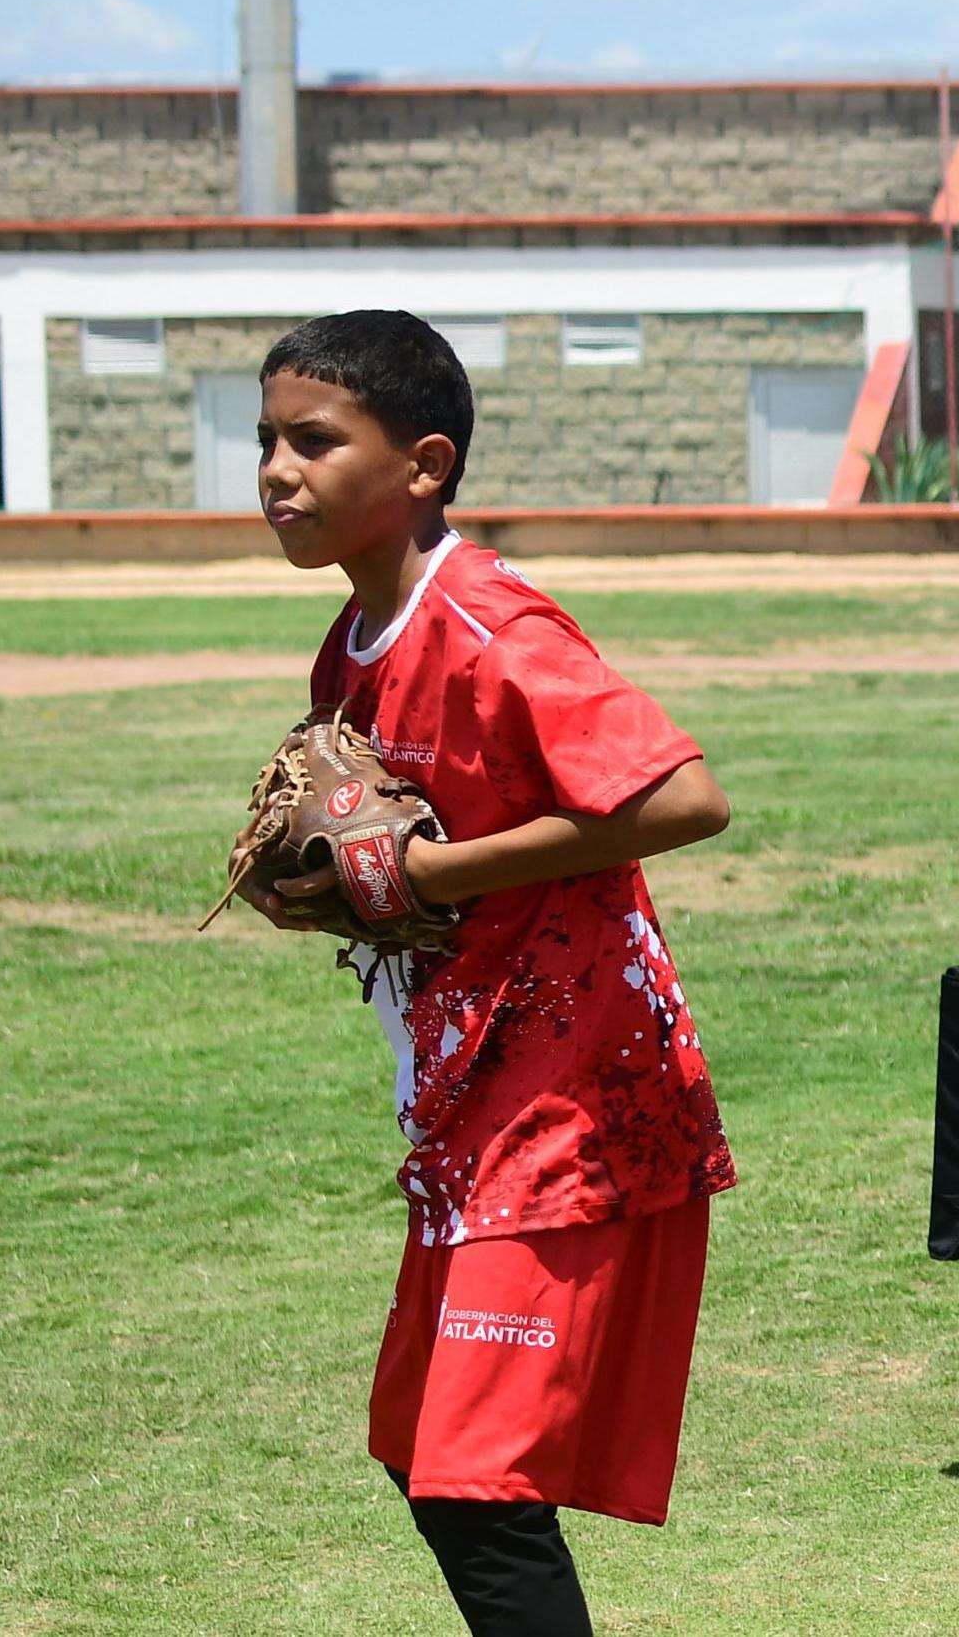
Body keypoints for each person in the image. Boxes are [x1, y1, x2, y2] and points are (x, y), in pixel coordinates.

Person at [247, 309, 738, 1636]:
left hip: (575, 1094)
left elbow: (687, 798)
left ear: (423, 463)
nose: (278, 470)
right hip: (471, 1096)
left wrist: (427, 875)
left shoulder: (489, 621)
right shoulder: (350, 643)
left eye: (314, 439)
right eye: (266, 441)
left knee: (473, 1480)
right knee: (422, 1450)